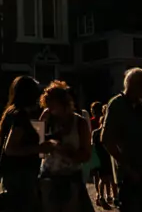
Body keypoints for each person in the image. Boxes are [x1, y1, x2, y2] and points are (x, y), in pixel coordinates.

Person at [102, 68, 142, 212]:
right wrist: (127, 167)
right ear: (136, 86)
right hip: (129, 174)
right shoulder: (117, 105)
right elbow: (107, 139)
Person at [0, 75, 50, 212]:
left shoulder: (12, 112)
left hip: (14, 173)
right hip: (22, 175)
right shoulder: (20, 116)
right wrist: (38, 148)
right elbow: (10, 148)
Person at [38, 81, 93, 212]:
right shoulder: (47, 118)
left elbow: (86, 154)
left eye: (53, 104)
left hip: (71, 177)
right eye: (47, 104)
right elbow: (38, 149)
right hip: (48, 176)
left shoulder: (79, 122)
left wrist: (65, 151)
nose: (50, 108)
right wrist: (41, 129)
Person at [92, 115, 116, 209]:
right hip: (105, 157)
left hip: (104, 157)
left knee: (107, 178)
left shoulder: (96, 133)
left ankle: (106, 196)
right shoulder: (101, 133)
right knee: (107, 178)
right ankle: (108, 196)